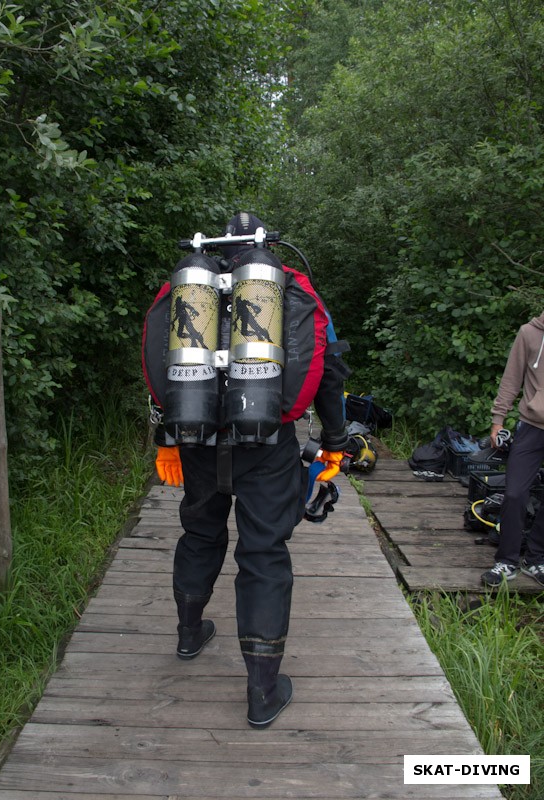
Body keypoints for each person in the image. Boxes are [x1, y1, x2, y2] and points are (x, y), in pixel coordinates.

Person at [150, 212, 349, 728]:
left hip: (196, 435)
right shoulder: (286, 289)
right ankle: (262, 693)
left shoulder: (193, 289)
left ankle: (189, 634)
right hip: (268, 442)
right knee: (262, 553)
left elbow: (157, 359)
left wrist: (166, 436)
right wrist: (334, 440)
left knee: (199, 531)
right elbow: (327, 368)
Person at [481, 310, 544, 587]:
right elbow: (511, 380)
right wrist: (498, 420)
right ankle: (506, 561)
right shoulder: (529, 333)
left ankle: (535, 559)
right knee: (515, 493)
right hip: (532, 426)